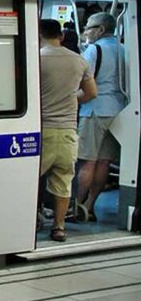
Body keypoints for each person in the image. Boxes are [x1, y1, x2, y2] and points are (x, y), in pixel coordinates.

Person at [38, 18, 97, 242]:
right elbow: (92, 92)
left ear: (39, 35)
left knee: (32, 179)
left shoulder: (37, 59)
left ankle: (32, 220)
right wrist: (72, 100)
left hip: (41, 131)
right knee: (63, 181)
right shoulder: (79, 61)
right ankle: (59, 227)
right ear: (61, 36)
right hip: (67, 131)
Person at [75, 12, 127, 223]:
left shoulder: (94, 50)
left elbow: (82, 81)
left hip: (94, 110)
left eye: (88, 27)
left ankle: (76, 206)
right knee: (104, 162)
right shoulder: (124, 49)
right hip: (117, 111)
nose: (86, 32)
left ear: (100, 29)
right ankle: (90, 205)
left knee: (88, 161)